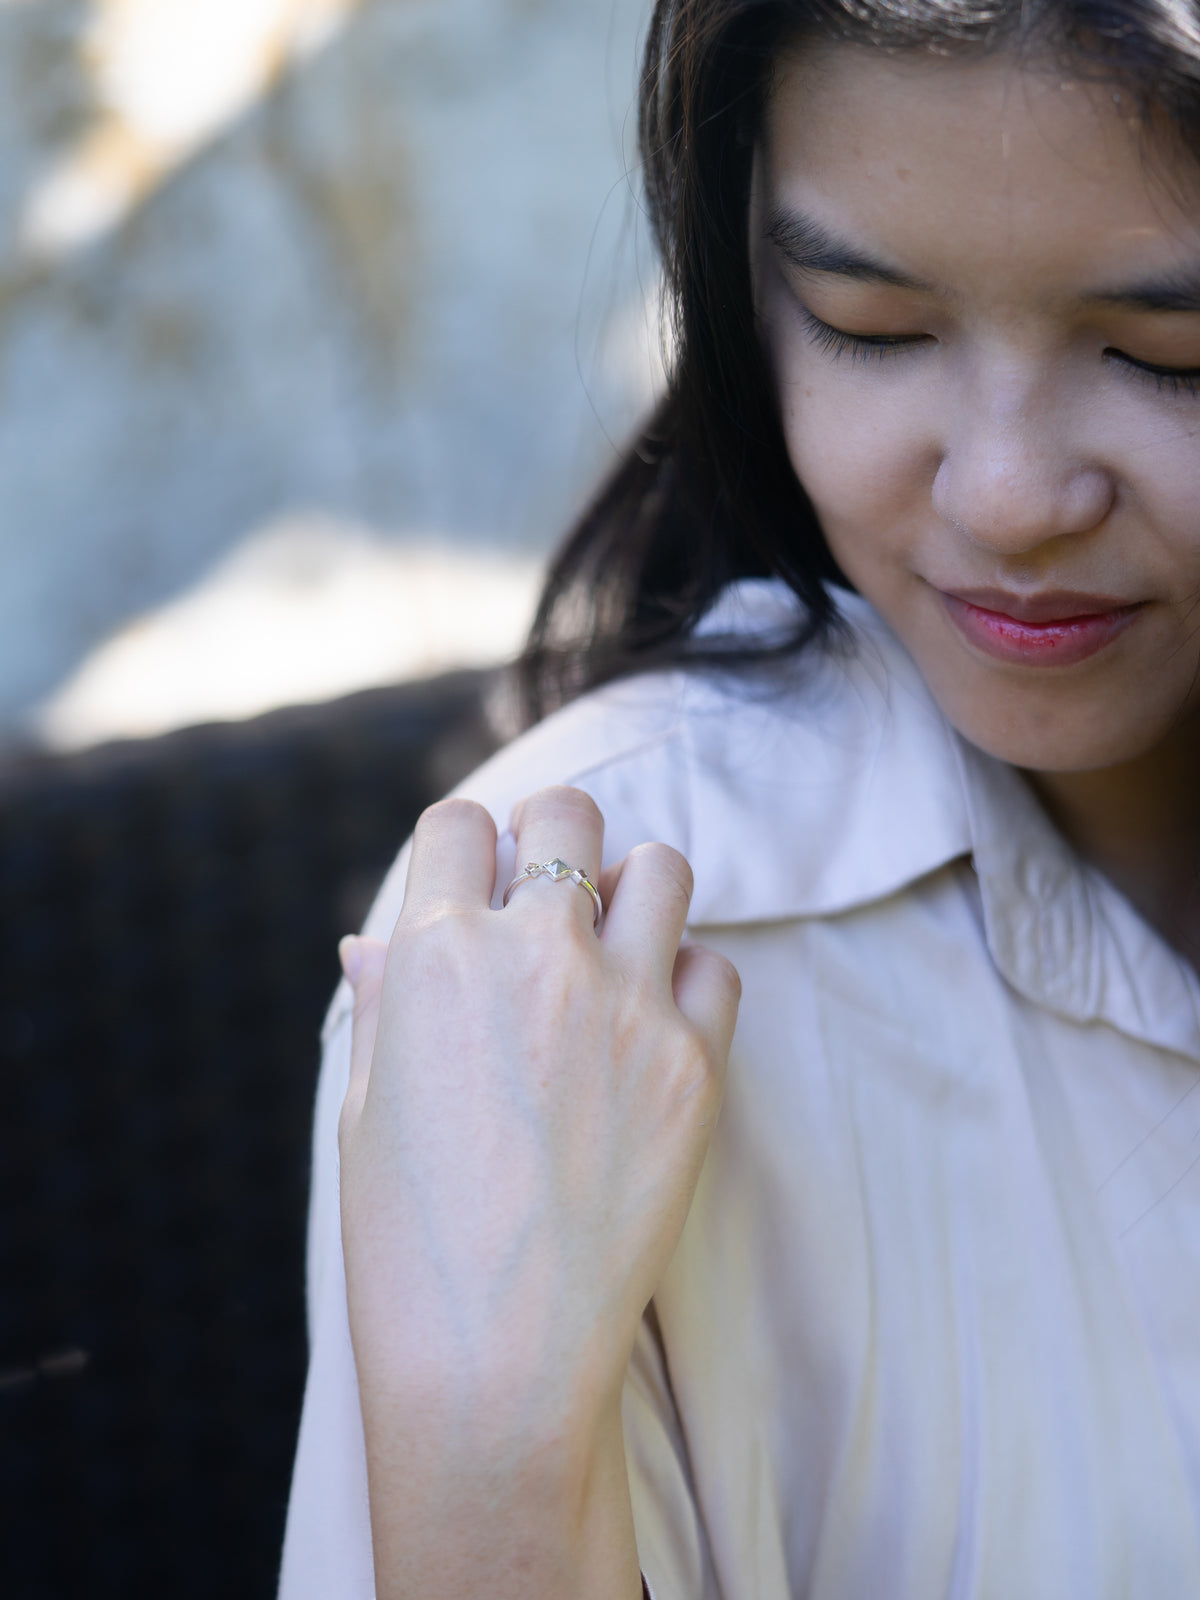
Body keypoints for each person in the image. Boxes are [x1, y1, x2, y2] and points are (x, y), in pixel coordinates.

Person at [279, 0, 1200, 1595]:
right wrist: (488, 1425)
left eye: (1168, 352)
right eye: (869, 322)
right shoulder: (553, 977)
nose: (1005, 494)